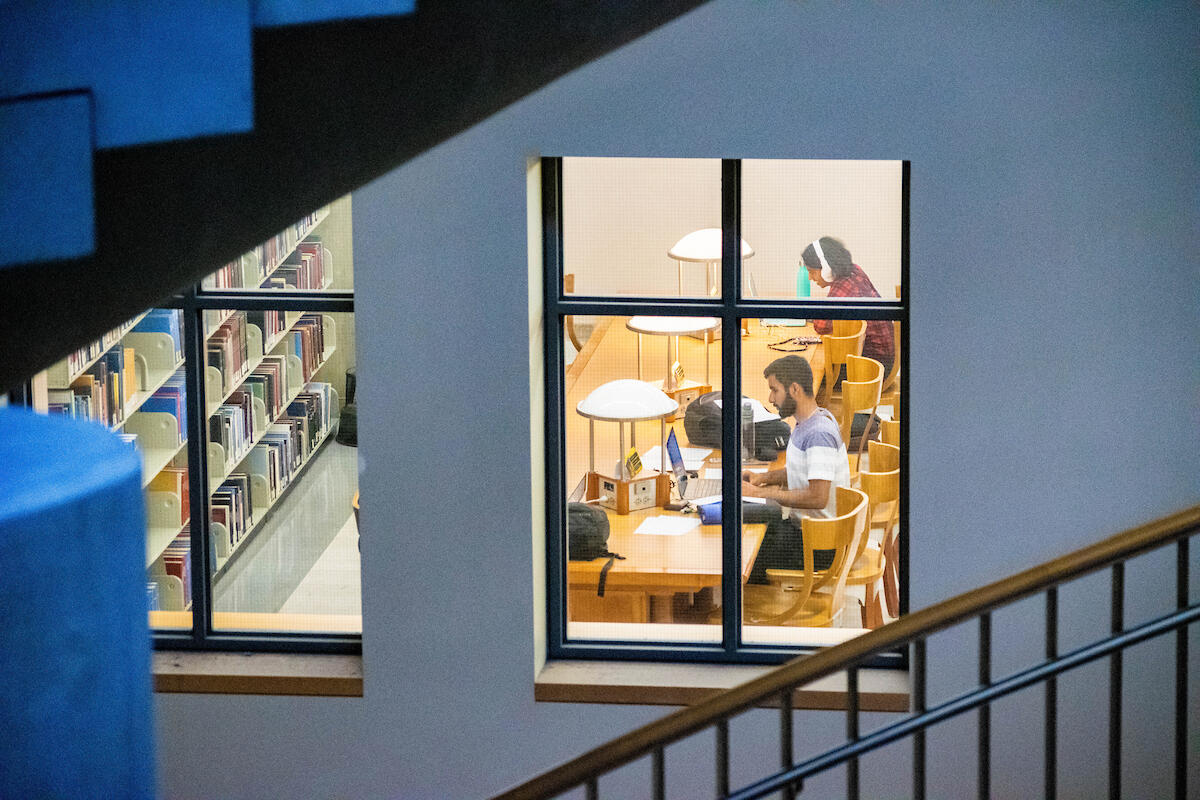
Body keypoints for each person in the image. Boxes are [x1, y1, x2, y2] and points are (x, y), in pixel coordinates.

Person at [742, 355, 851, 583]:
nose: (771, 398)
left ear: (794, 389)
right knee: (749, 529)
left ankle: (755, 611)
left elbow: (817, 497)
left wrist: (762, 493)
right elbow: (802, 469)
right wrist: (763, 478)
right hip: (808, 534)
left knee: (740, 555)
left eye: (775, 390)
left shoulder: (818, 434)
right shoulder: (809, 421)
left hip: (817, 547)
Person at [801, 236, 895, 379]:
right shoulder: (854, 271)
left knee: (807, 374)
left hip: (870, 369)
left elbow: (821, 326)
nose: (810, 277)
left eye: (812, 271)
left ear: (826, 268)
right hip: (880, 360)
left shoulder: (844, 289)